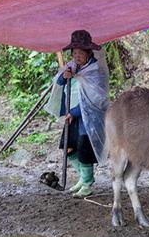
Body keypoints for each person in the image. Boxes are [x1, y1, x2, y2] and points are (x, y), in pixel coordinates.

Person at [46, 30, 110, 198]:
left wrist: (74, 112)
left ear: (89, 52)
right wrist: (65, 76)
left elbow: (96, 99)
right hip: (71, 115)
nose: (77, 56)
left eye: (81, 52)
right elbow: (59, 82)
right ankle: (82, 178)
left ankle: (88, 183)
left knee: (84, 149)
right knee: (68, 147)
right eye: (74, 52)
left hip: (88, 118)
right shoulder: (72, 66)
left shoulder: (95, 71)